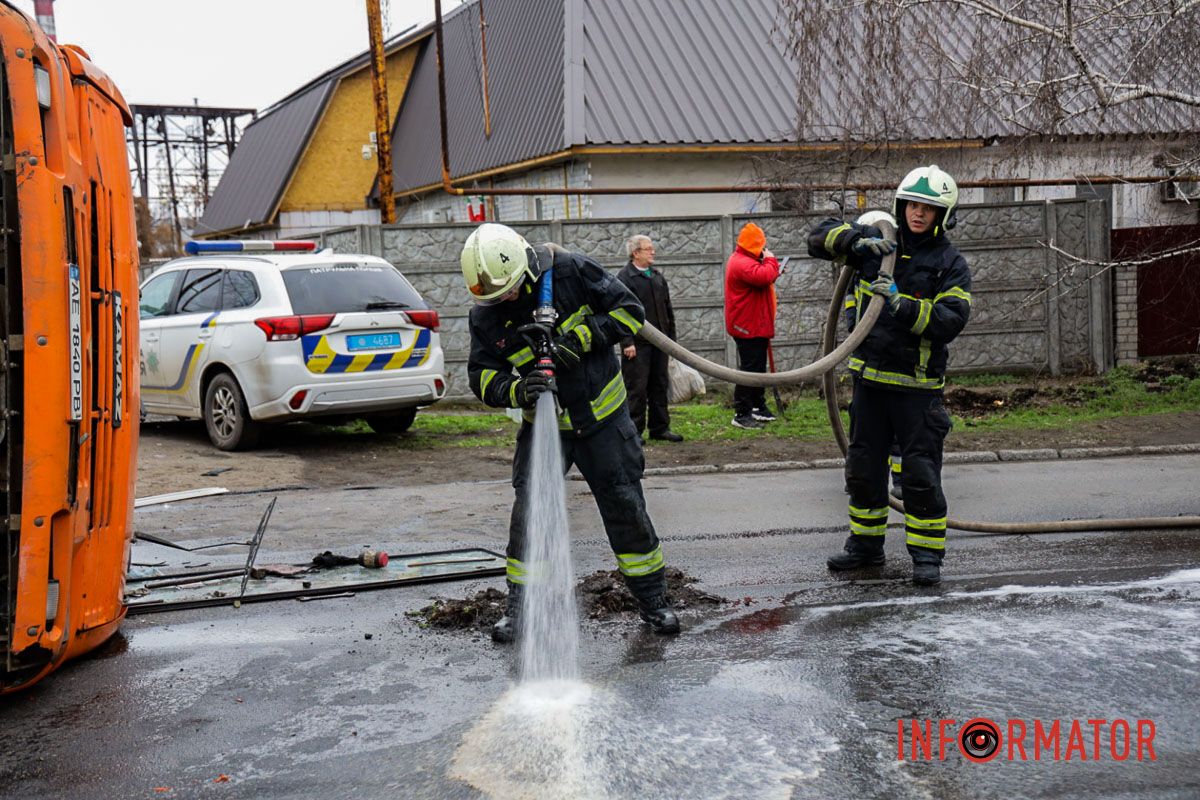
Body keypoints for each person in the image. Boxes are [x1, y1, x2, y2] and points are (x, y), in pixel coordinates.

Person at [461, 223, 680, 640]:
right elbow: (481, 376)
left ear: (523, 270)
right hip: (546, 429)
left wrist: (579, 338)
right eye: (493, 297)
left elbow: (630, 312)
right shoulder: (486, 315)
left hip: (604, 422)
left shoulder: (572, 273)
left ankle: (654, 602)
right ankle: (520, 609)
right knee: (528, 516)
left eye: (506, 291)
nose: (503, 301)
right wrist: (515, 389)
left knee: (626, 510)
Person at [808, 165, 972, 586]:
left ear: (943, 215)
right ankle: (865, 547)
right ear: (901, 206)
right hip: (869, 383)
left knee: (918, 476)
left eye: (929, 208)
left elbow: (951, 319)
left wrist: (901, 305)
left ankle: (927, 556)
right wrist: (855, 240)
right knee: (863, 472)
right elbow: (817, 238)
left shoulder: (950, 263)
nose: (918, 214)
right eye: (913, 205)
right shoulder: (880, 245)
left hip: (917, 391)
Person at [616, 235, 682, 442]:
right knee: (637, 388)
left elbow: (667, 309)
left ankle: (660, 428)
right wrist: (627, 342)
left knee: (659, 385)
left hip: (660, 343)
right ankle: (633, 431)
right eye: (648, 249)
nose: (653, 252)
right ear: (635, 253)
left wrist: (671, 341)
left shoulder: (656, 276)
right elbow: (620, 312)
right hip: (637, 345)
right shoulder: (625, 278)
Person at [724, 222, 781, 429]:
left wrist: (771, 267)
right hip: (747, 324)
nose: (764, 249)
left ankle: (758, 406)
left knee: (757, 366)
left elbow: (764, 276)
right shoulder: (742, 262)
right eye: (762, 245)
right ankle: (742, 413)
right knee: (749, 369)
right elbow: (764, 276)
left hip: (754, 322)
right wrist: (772, 260)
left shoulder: (744, 259)